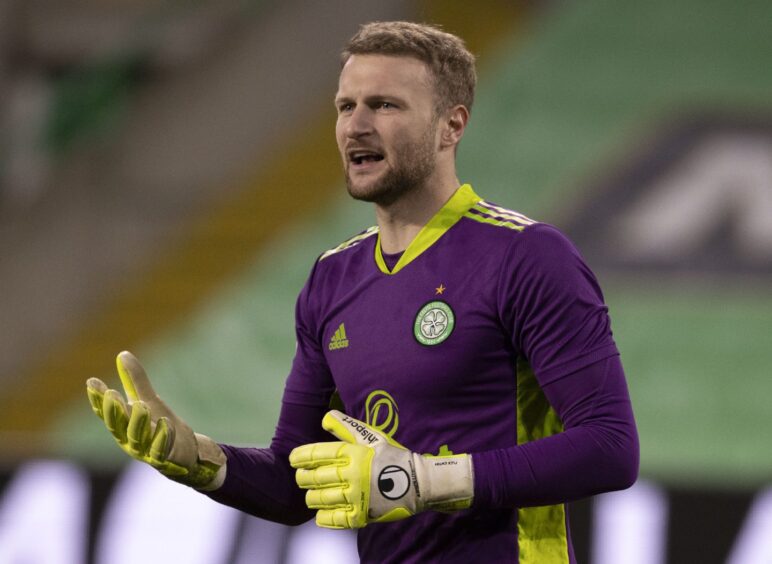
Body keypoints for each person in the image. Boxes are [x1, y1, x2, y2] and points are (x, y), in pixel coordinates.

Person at [86, 21, 639, 563]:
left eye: (384, 105)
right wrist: (198, 458)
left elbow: (611, 447)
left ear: (452, 126)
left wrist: (423, 480)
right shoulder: (333, 278)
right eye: (345, 106)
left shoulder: (526, 256)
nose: (355, 125)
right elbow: (291, 480)